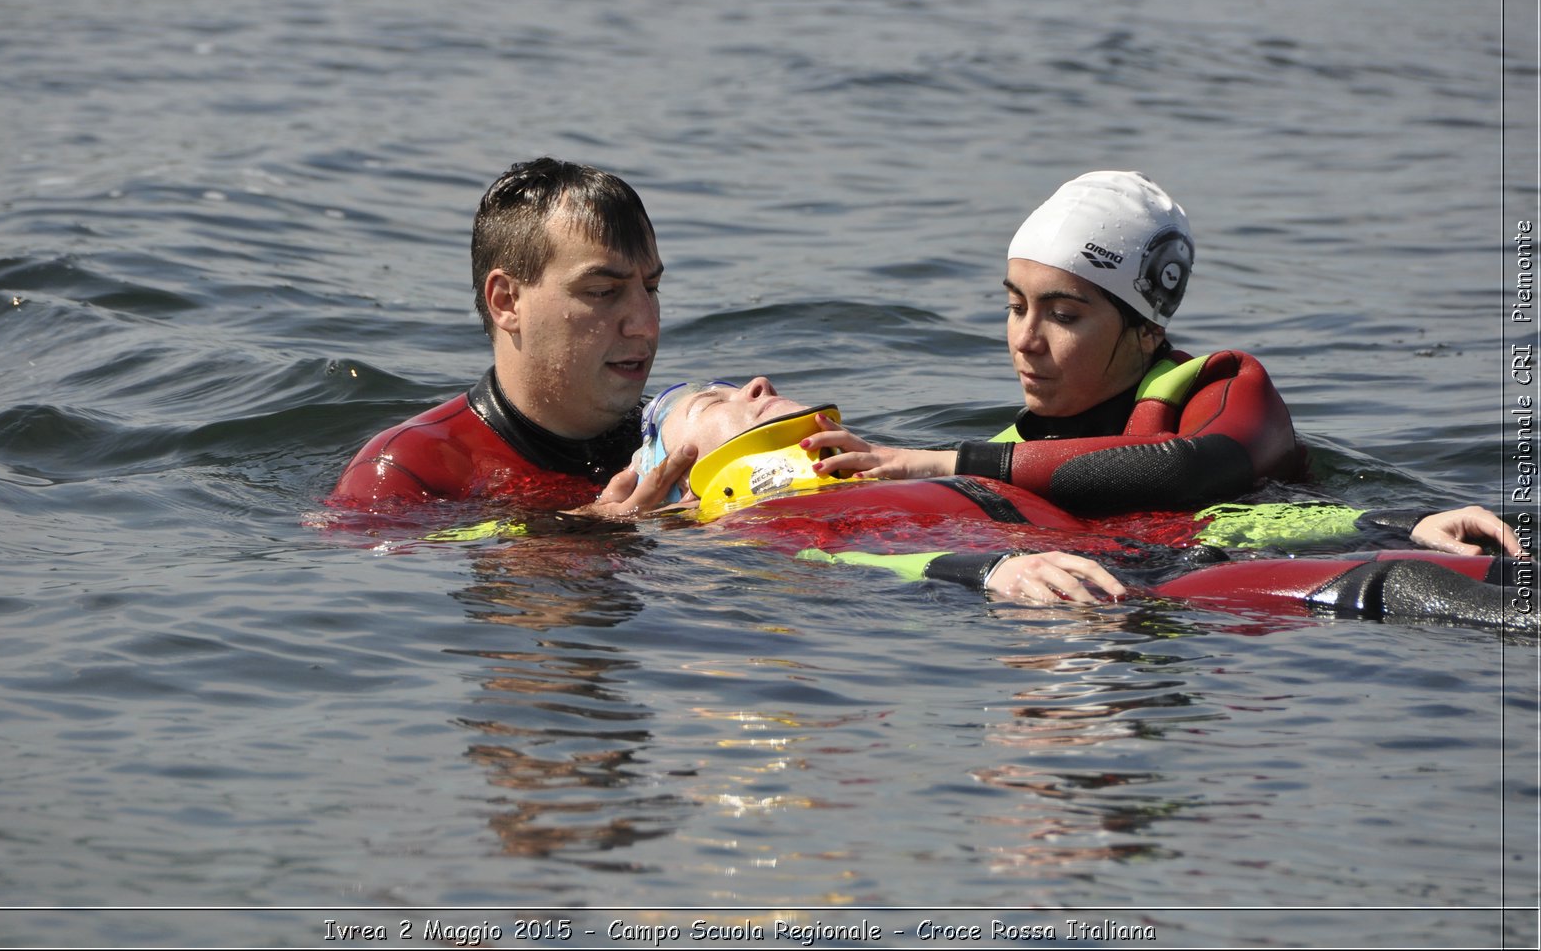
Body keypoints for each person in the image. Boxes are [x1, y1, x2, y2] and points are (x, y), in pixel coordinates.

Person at [617, 377, 1526, 622]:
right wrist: (992, 570)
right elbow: (864, 561)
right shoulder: (749, 527)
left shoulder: (910, 471)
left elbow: (1193, 520)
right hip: (1107, 588)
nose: (759, 380)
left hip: (1143, 551)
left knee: (1433, 558)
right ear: (683, 466)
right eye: (716, 398)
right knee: (1371, 588)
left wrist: (1395, 518)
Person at [805, 171, 1307, 515]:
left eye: (1063, 316)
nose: (1026, 340)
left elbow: (1190, 468)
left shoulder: (1225, 392)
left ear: (1148, 328)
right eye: (1016, 308)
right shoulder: (1012, 454)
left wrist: (940, 462)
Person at [329, 158, 693, 513]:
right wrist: (580, 533)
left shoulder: (676, 437)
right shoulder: (406, 471)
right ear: (506, 302)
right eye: (601, 292)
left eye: (652, 287)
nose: (646, 325)